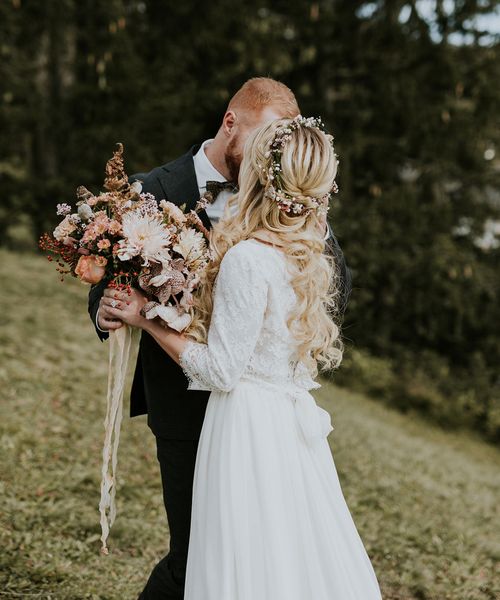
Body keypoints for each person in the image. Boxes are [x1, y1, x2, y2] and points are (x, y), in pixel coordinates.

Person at [106, 116, 380, 599]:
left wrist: (146, 318)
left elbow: (222, 370)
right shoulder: (306, 254)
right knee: (285, 558)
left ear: (257, 176)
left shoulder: (248, 258)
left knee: (238, 561)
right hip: (290, 431)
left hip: (246, 428)